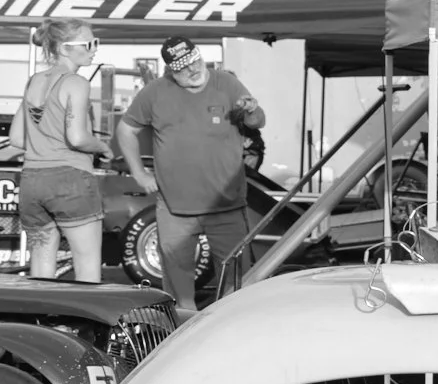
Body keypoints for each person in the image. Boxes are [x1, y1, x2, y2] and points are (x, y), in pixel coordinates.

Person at [116, 37, 264, 317]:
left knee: (237, 284)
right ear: (171, 70)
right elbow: (126, 130)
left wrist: (252, 111)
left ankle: (232, 333)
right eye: (183, 67)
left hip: (226, 206)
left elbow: (257, 123)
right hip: (175, 209)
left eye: (195, 61)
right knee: (179, 292)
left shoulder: (227, 84)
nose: (193, 70)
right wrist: (138, 172)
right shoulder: (155, 92)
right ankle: (184, 342)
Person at [14, 18, 108, 283]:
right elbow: (77, 138)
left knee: (42, 266)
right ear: (65, 49)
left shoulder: (33, 81)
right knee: (87, 263)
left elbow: (17, 138)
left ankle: (38, 322)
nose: (94, 49)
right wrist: (103, 147)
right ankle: (88, 325)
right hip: (70, 179)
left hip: (32, 181)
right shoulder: (76, 83)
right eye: (89, 44)